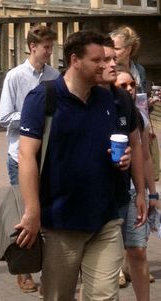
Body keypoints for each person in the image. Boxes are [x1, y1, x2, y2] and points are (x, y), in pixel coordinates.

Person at [16, 29, 128, 301]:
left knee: (104, 295)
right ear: (75, 60)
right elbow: (26, 155)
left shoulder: (106, 99)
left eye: (106, 59)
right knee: (58, 296)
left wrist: (122, 161)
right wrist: (32, 212)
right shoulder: (44, 98)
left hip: (105, 219)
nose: (105, 65)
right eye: (97, 60)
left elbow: (110, 147)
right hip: (60, 223)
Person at [0, 23, 59, 293]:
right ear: (33, 47)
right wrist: (32, 117)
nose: (49, 52)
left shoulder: (55, 76)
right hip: (19, 154)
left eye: (51, 47)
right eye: (46, 47)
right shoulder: (15, 76)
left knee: (46, 209)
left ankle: (49, 267)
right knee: (24, 211)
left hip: (48, 154)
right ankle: (23, 270)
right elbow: (3, 117)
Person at [100, 38, 147, 290]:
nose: (110, 64)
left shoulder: (127, 103)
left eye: (133, 84)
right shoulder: (86, 100)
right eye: (103, 60)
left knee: (137, 251)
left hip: (125, 192)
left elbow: (141, 152)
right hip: (93, 197)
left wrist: (146, 193)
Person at [115, 67, 158, 300]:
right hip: (112, 192)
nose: (130, 89)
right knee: (106, 255)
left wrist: (152, 194)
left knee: (138, 250)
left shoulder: (139, 116)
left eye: (132, 85)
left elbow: (145, 157)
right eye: (123, 86)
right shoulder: (107, 112)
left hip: (135, 193)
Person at [111, 26, 147, 92]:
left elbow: (141, 97)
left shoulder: (139, 70)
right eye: (110, 48)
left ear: (128, 49)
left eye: (116, 49)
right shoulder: (108, 70)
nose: (112, 52)